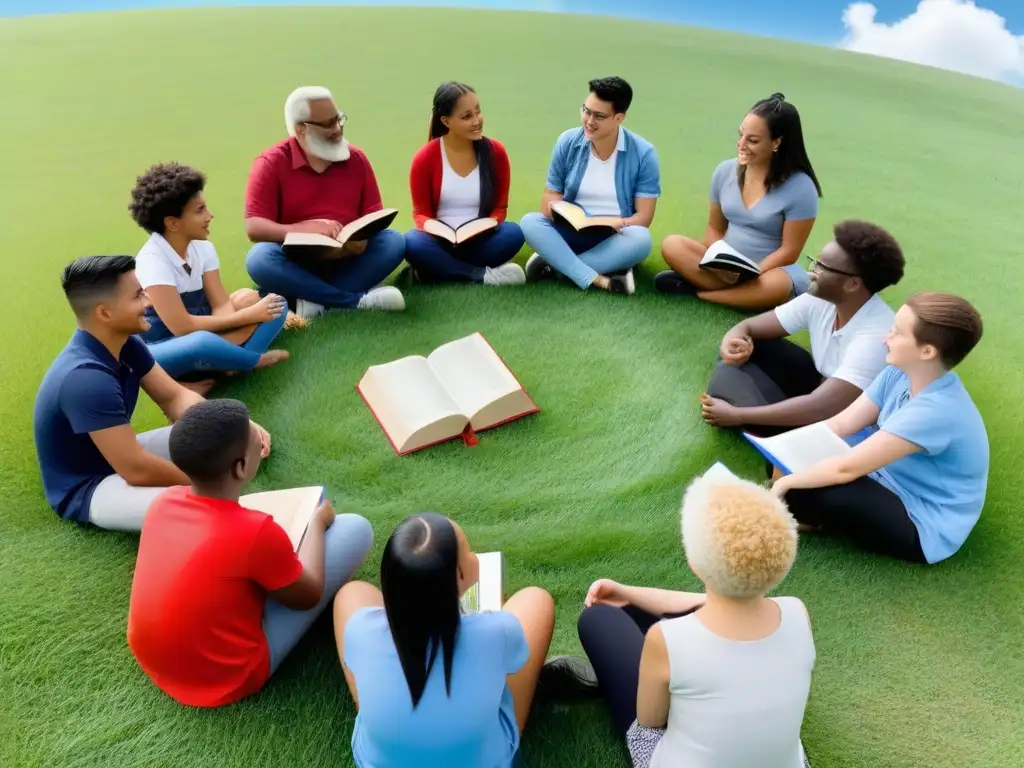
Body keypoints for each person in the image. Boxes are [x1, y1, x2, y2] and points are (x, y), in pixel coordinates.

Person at [127, 398, 373, 708]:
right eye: (255, 439)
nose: (260, 440)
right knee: (356, 529)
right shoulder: (254, 531)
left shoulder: (163, 503)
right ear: (240, 466)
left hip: (155, 659)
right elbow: (308, 594)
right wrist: (316, 524)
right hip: (226, 676)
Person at [576, 467, 815, 768]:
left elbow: (651, 721)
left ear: (693, 562)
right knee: (635, 610)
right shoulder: (797, 610)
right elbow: (729, 604)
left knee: (599, 619)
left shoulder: (668, 639)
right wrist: (631, 593)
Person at [31, 255, 272, 531]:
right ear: (104, 313)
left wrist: (232, 424)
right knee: (202, 509)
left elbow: (174, 397)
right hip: (90, 485)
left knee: (230, 431)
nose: (148, 302)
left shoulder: (126, 343)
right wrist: (205, 486)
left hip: (122, 451)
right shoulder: (85, 378)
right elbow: (135, 468)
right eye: (137, 296)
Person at [771, 292, 989, 564]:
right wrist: (782, 449)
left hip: (922, 519)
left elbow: (845, 469)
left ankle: (812, 516)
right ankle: (808, 509)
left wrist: (784, 482)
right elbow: (842, 423)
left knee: (813, 489)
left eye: (897, 333)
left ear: (927, 351)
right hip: (885, 476)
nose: (886, 338)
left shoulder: (936, 411)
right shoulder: (898, 371)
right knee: (790, 461)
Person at [333, 512, 559, 767]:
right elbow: (513, 665)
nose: (474, 555)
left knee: (351, 594)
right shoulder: (498, 630)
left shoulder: (360, 629)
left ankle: (385, 712)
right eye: (469, 551)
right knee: (535, 600)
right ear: (460, 576)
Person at [701, 220, 905, 437]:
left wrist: (739, 415)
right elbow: (748, 327)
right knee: (749, 348)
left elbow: (823, 407)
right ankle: (760, 407)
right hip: (821, 387)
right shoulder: (820, 300)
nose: (812, 271)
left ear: (852, 284)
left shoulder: (875, 336)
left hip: (846, 418)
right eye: (815, 262)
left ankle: (765, 418)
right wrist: (731, 344)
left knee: (731, 386)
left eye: (822, 267)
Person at [244, 85, 407, 319]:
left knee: (393, 242)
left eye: (339, 119)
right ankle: (353, 301)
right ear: (301, 129)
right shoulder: (270, 163)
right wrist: (306, 229)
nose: (338, 129)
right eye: (328, 124)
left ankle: (311, 299)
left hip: (348, 257)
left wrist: (360, 238)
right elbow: (254, 227)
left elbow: (373, 216)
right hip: (296, 262)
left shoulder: (357, 159)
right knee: (259, 259)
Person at [130, 162, 291, 391]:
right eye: (199, 210)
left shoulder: (202, 248)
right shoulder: (152, 261)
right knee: (201, 342)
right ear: (172, 223)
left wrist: (248, 313)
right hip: (163, 347)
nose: (210, 215)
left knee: (273, 303)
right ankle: (249, 361)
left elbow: (221, 303)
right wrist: (249, 317)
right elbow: (182, 327)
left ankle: (223, 363)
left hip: (203, 331)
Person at [657, 93, 822, 310]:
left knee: (777, 285)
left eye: (752, 140)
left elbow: (789, 251)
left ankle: (703, 294)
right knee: (672, 245)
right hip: (724, 269)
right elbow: (714, 229)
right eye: (741, 135)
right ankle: (739, 296)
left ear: (776, 142)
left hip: (768, 273)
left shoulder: (801, 188)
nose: (741, 144)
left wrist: (754, 272)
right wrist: (718, 263)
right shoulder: (725, 171)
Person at [519, 76, 660, 295]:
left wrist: (617, 222)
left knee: (641, 239)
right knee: (530, 222)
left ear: (619, 118)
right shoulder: (567, 141)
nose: (589, 121)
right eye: (586, 111)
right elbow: (549, 197)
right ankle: (600, 276)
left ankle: (557, 266)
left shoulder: (643, 153)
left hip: (612, 237)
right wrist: (558, 211)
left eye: (599, 116)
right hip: (571, 231)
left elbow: (644, 217)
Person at [404, 81, 526, 285]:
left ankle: (439, 270)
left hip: (481, 240)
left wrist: (489, 224)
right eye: (466, 117)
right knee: (411, 241)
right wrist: (438, 231)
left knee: (514, 233)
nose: (476, 121)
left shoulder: (496, 152)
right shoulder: (425, 158)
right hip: (441, 241)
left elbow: (500, 207)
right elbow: (420, 214)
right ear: (446, 121)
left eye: (478, 112)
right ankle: (479, 275)